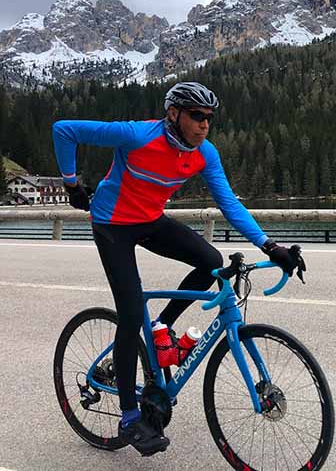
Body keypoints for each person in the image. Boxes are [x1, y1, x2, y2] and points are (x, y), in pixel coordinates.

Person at [52, 81, 305, 457]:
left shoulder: (204, 153)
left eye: (209, 119)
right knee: (130, 313)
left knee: (211, 262)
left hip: (150, 220)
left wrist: (269, 245)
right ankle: (127, 415)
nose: (204, 125)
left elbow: (230, 206)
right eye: (197, 117)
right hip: (111, 225)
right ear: (174, 114)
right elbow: (64, 130)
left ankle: (162, 326)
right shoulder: (137, 135)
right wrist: (71, 184)